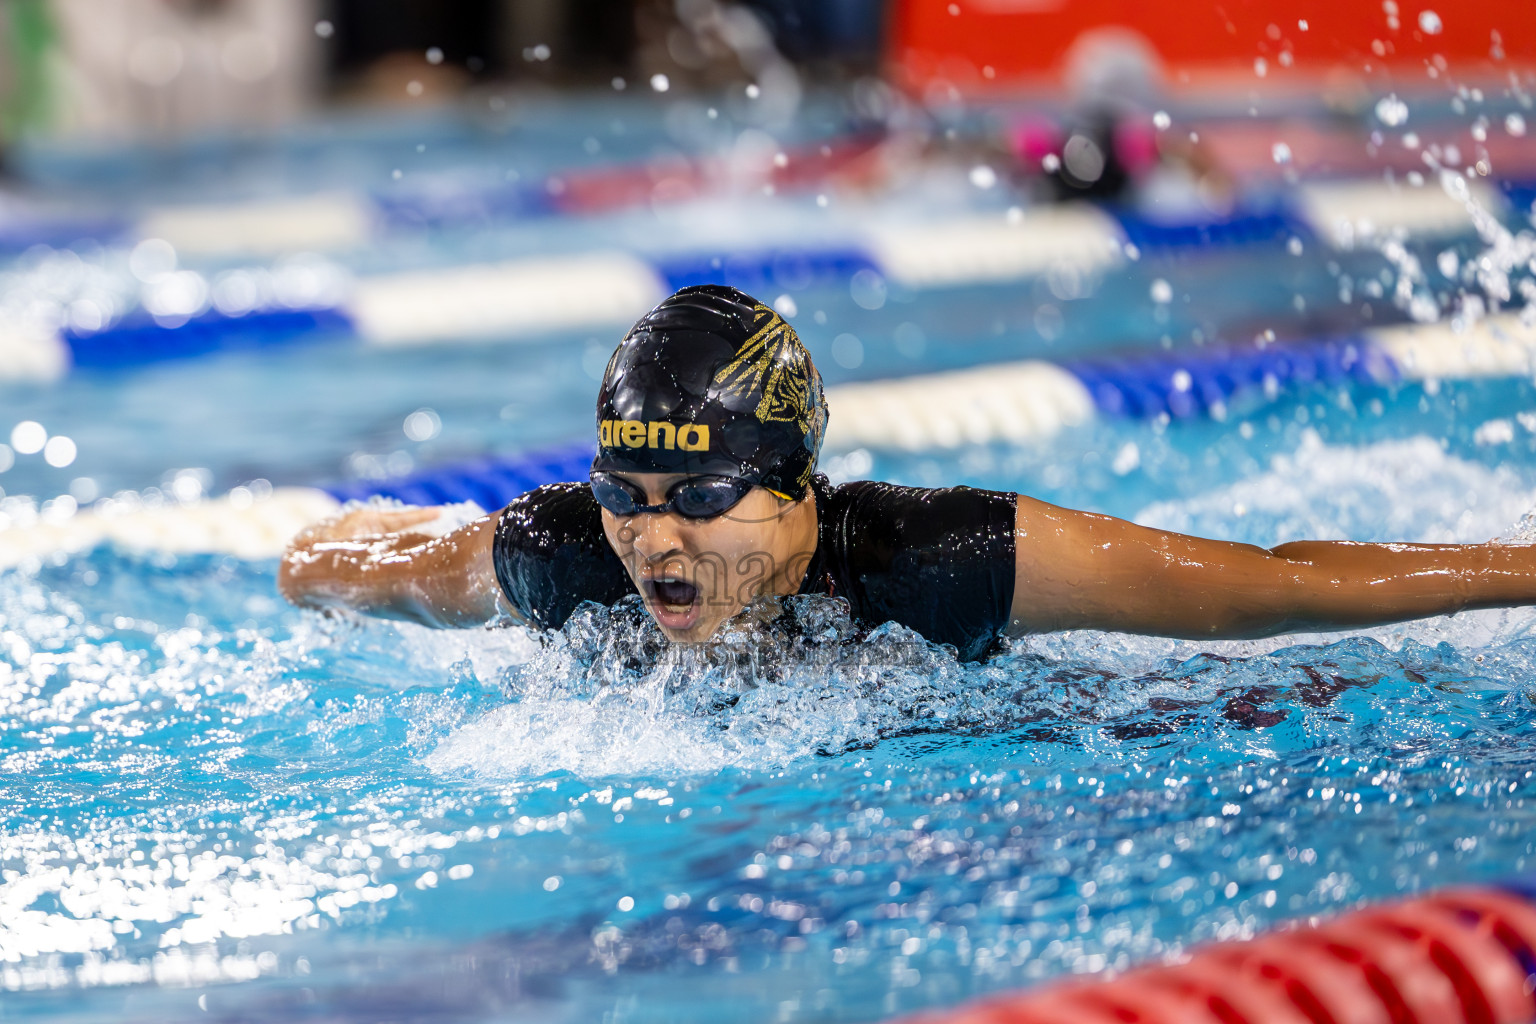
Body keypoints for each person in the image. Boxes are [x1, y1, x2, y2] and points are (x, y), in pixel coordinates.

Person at [279, 284, 1536, 661]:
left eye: (707, 496)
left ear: (799, 479)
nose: (656, 543)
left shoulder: (927, 559)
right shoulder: (564, 553)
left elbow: (1280, 585)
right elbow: (340, 555)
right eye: (629, 495)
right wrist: (316, 561)